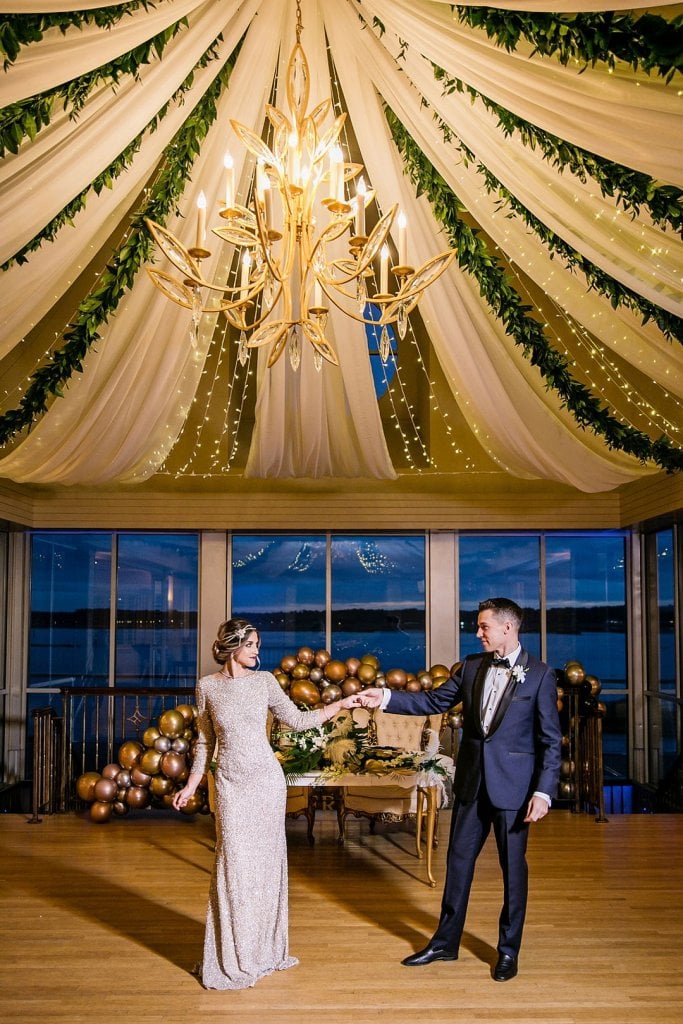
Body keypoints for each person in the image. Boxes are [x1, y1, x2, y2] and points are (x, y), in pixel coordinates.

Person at [358, 597, 562, 982]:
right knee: (458, 865)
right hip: (472, 784)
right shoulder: (470, 667)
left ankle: (508, 951)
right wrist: (383, 696)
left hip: (515, 791)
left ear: (507, 628)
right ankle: (445, 943)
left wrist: (544, 792)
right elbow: (433, 700)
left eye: (483, 626)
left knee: (512, 870)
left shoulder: (539, 675)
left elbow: (551, 740)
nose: (478, 632)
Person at [172, 618, 360, 990]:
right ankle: (233, 955)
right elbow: (205, 743)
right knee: (233, 867)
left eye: (258, 644)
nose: (258, 650)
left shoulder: (265, 683)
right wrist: (192, 784)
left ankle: (262, 950)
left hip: (265, 784)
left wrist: (342, 703)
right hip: (229, 785)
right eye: (252, 644)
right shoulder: (207, 687)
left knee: (263, 869)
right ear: (232, 646)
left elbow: (298, 721)